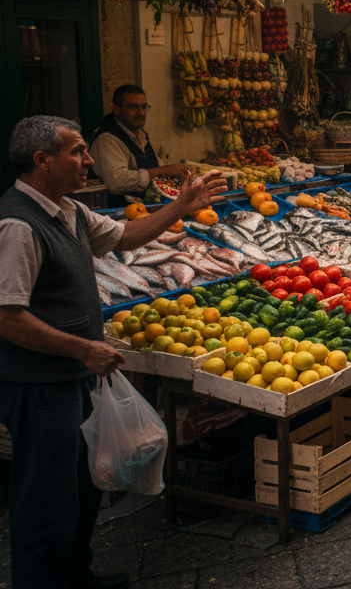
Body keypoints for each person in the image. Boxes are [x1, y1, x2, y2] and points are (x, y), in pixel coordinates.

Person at [0, 116, 226, 589]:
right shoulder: (17, 225)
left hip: (76, 376)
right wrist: (84, 349)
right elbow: (7, 317)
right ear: (42, 161)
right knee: (45, 497)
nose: (88, 161)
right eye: (78, 152)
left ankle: (75, 574)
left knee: (80, 489)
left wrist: (181, 204)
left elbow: (124, 237)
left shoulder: (70, 212)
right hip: (41, 386)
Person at [89, 85, 190, 208]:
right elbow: (117, 182)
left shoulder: (139, 135)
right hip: (119, 214)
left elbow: (155, 164)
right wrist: (163, 170)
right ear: (116, 109)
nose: (140, 112)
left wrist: (179, 170)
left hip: (147, 208)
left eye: (144, 107)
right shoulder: (106, 140)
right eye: (133, 107)